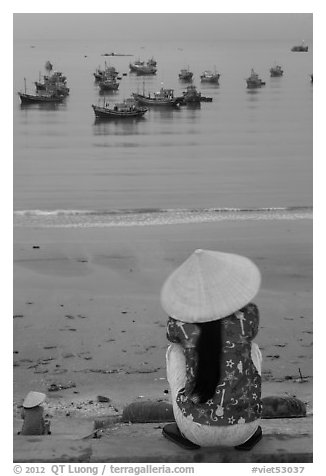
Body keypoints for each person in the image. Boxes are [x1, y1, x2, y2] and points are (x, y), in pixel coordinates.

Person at [160, 249, 263, 449]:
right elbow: (246, 334)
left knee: (175, 351)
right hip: (246, 428)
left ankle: (185, 424)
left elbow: (172, 337)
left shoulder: (180, 320)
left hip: (195, 429)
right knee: (252, 348)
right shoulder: (249, 313)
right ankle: (244, 420)